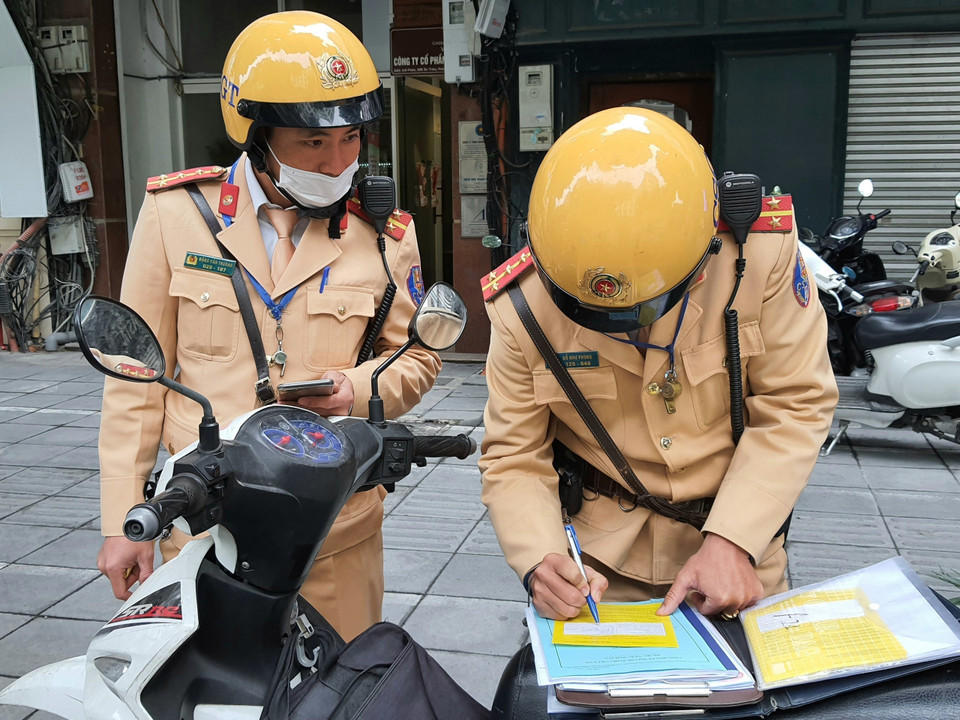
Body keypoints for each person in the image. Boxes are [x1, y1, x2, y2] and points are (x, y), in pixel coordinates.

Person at [96, 11, 440, 641]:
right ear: (256, 135)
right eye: (313, 143)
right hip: (203, 526)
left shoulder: (385, 234)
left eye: (351, 138)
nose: (337, 162)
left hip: (334, 531)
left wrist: (356, 389)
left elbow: (416, 356)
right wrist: (125, 518)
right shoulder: (177, 215)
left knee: (338, 684)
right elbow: (135, 377)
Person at [479, 107, 838, 623]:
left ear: (704, 258)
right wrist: (540, 559)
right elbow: (514, 453)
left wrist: (734, 540)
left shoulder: (758, 254)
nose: (629, 330)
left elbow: (795, 403)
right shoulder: (522, 305)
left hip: (740, 556)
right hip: (598, 571)